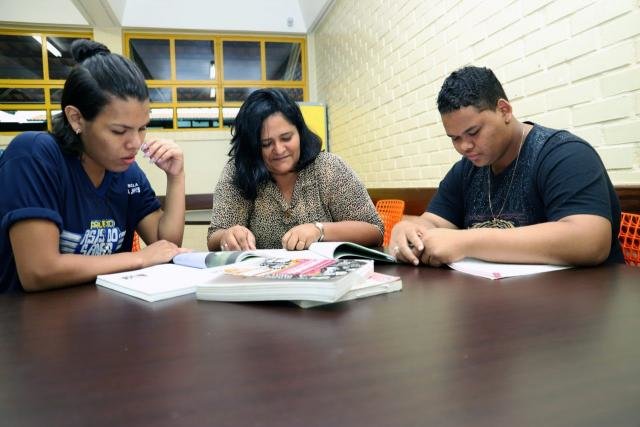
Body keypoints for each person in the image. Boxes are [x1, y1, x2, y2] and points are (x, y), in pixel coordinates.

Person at [0, 40, 188, 293]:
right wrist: (139, 258)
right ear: (76, 118)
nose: (135, 143)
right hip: (31, 323)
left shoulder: (127, 171)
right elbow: (39, 270)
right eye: (119, 131)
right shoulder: (35, 155)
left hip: (102, 316)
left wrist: (176, 177)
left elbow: (165, 245)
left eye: (142, 128)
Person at [390, 65, 623, 267]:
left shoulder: (564, 154)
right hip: (500, 304)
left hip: (581, 305)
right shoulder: (465, 170)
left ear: (504, 110)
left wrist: (466, 241)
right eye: (454, 138)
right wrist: (409, 229)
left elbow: (590, 240)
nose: (464, 146)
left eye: (473, 132)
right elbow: (433, 222)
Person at [207, 88, 383, 251]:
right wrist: (227, 236)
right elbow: (214, 237)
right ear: (252, 148)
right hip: (264, 282)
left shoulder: (328, 167)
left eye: (286, 138)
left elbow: (375, 231)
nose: (279, 149)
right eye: (266, 144)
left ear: (300, 132)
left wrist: (319, 230)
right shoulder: (238, 172)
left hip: (324, 279)